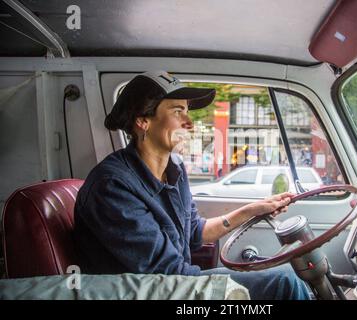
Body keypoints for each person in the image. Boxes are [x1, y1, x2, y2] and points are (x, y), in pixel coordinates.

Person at [73, 70, 310, 300]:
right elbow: (168, 276)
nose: (190, 123)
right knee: (284, 282)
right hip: (156, 291)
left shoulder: (173, 169)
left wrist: (254, 209)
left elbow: (195, 232)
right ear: (143, 121)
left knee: (290, 275)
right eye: (178, 112)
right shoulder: (112, 186)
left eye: (187, 112)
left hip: (177, 285)